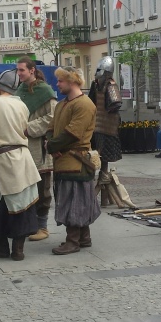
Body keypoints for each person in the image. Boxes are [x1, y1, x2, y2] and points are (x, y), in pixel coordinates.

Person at [0, 70, 41, 261]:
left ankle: (2, 248)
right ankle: (18, 250)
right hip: (22, 159)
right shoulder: (21, 103)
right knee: (22, 204)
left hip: (1, 160)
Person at [48, 67, 100, 255]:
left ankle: (73, 241)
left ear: (72, 82)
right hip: (64, 160)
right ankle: (84, 237)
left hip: (76, 161)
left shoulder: (85, 104)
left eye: (60, 81)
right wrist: (52, 144)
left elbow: (73, 133)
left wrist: (52, 147)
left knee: (75, 202)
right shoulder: (62, 105)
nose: (57, 84)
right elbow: (51, 128)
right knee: (74, 199)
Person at [15, 56, 57, 242]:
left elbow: (53, 116)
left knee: (43, 188)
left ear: (32, 70)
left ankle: (42, 226)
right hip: (22, 146)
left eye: (22, 70)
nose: (19, 73)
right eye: (18, 70)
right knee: (26, 187)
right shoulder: (19, 90)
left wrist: (29, 127)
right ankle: (29, 224)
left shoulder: (45, 90)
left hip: (39, 146)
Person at [87, 57, 122, 183]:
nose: (97, 73)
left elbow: (116, 103)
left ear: (106, 72)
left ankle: (104, 179)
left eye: (99, 70)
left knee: (104, 159)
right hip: (96, 126)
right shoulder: (95, 85)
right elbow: (89, 102)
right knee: (93, 156)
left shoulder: (111, 86)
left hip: (107, 128)